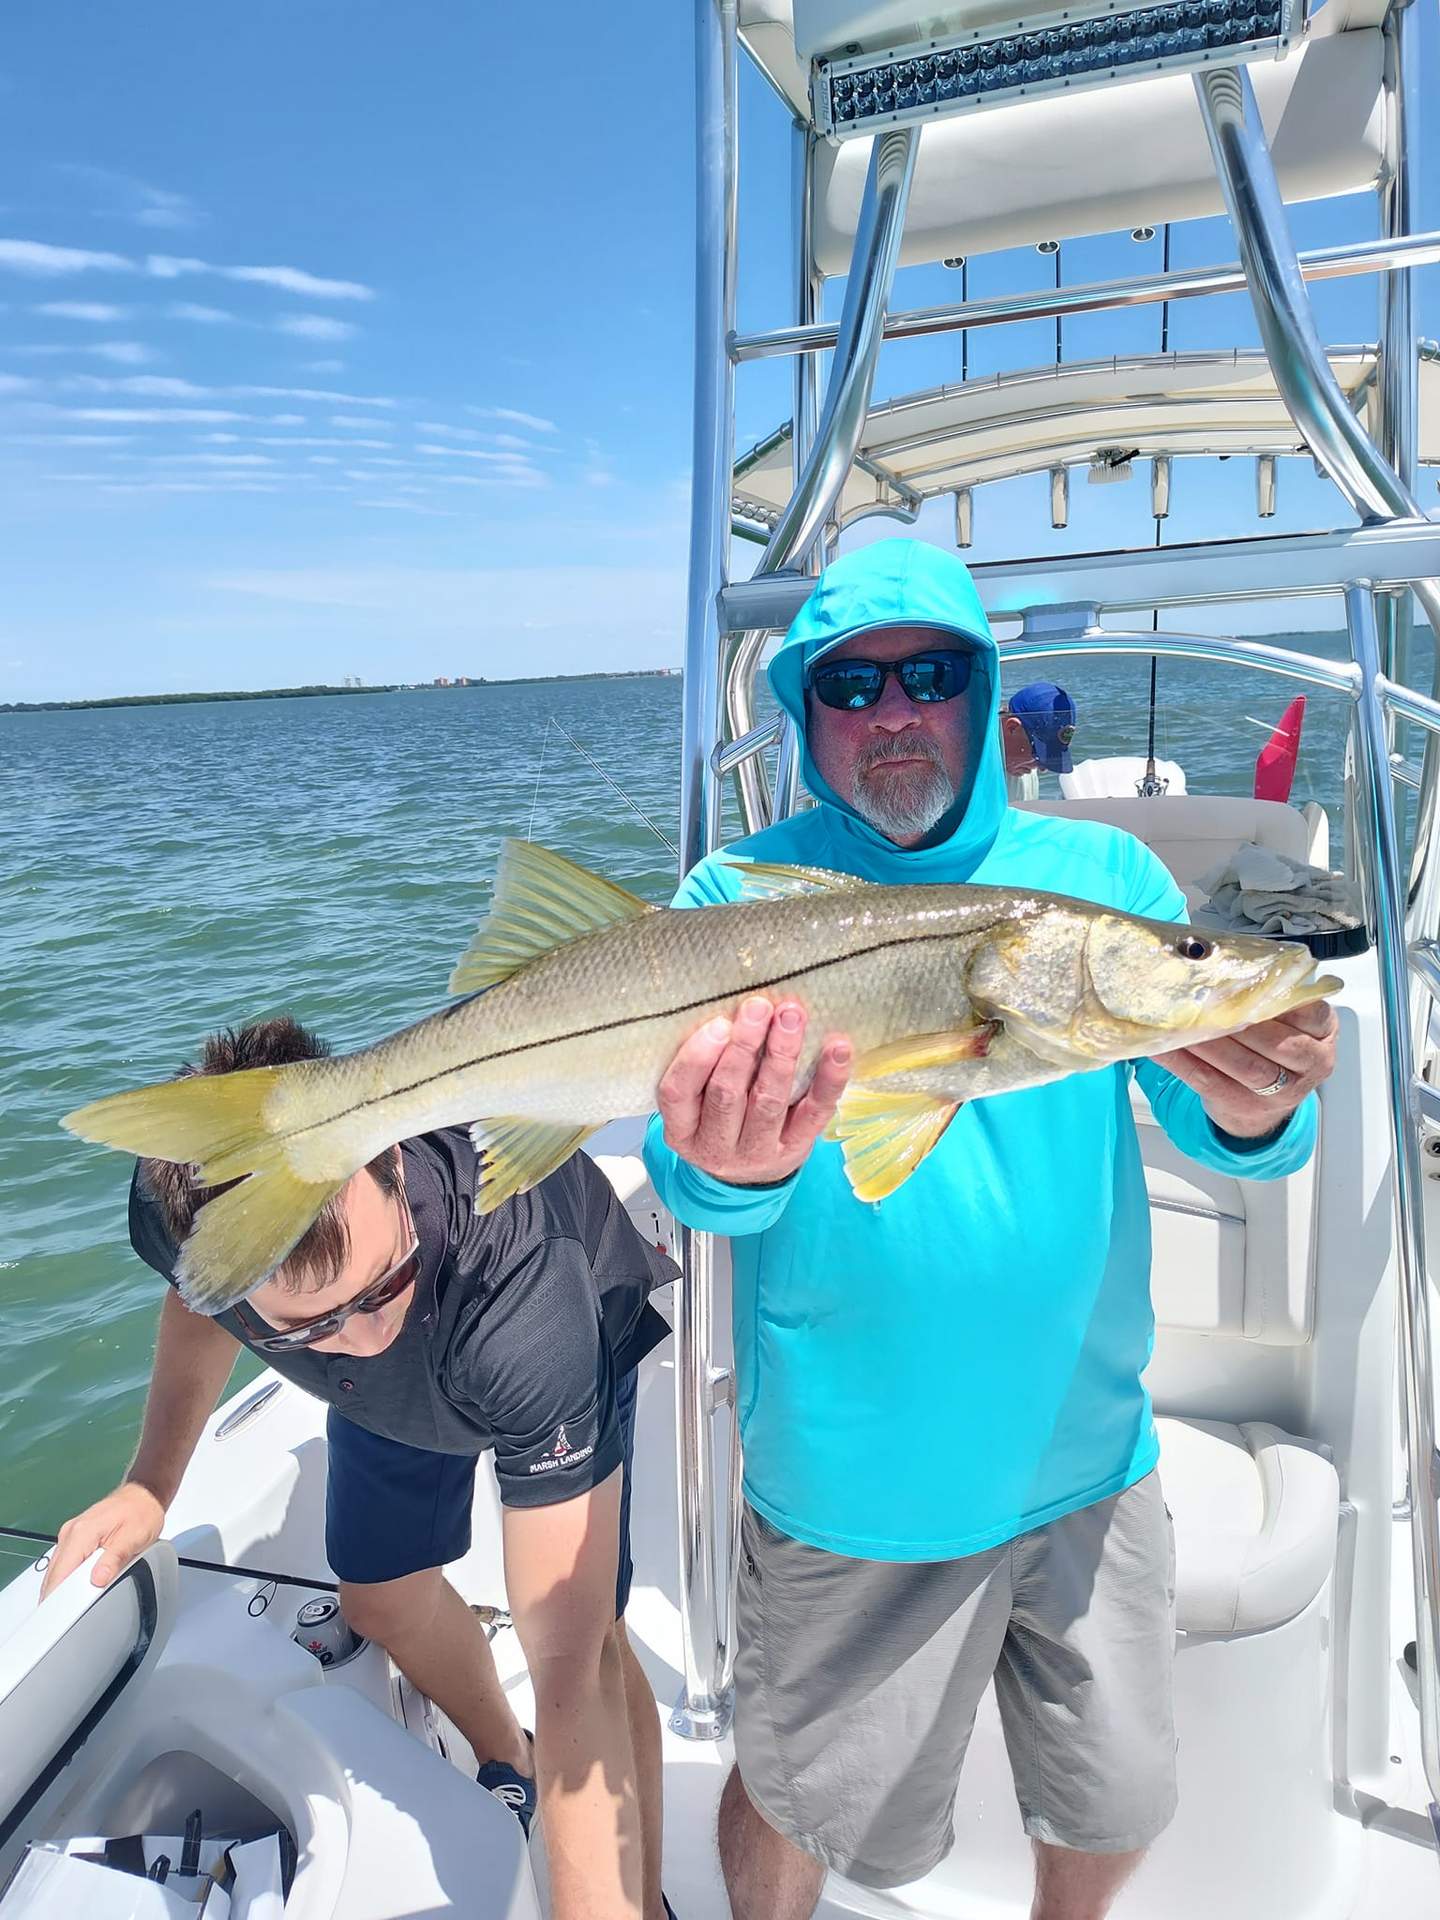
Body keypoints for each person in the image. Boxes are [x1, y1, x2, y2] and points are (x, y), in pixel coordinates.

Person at [642, 539, 1336, 1920]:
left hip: (1093, 1459)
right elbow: (695, 1175)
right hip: (858, 1486)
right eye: (851, 683)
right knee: (796, 1806)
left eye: (933, 673)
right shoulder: (735, 899)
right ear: (803, 710)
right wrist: (721, 1166)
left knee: (1118, 1795)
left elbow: (1224, 1127)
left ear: (986, 689)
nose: (894, 709)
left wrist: (1262, 1110)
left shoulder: (1098, 877)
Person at [45, 1016, 679, 1920]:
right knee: (380, 1601)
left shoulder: (528, 1299)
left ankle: (644, 1898)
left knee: (596, 1644)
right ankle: (508, 1755)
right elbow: (197, 1302)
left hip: (549, 1328)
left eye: (380, 1284)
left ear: (392, 1159)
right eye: (306, 1324)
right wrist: (151, 1484)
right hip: (394, 1398)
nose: (364, 1336)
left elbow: (570, 1671)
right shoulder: (178, 1206)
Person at [1001, 679, 1077, 801]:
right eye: (1037, 753)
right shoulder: (968, 769)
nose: (1043, 769)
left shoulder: (1019, 766)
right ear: (1012, 728)